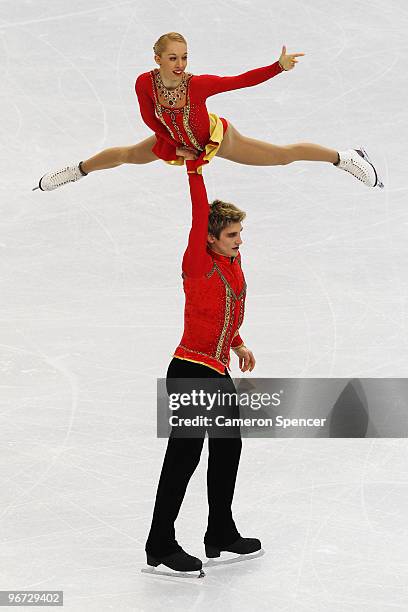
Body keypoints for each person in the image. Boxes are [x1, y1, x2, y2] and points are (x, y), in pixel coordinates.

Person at [34, 32, 383, 192]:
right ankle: (76, 171)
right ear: (157, 59)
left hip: (214, 139)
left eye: (184, 57)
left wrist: (278, 67)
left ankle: (345, 157)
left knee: (280, 157)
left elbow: (240, 81)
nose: (180, 64)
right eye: (173, 57)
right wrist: (172, 146)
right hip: (172, 141)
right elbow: (149, 117)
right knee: (127, 154)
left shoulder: (197, 85)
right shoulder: (145, 83)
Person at [145, 163, 258, 577]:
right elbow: (197, 215)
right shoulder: (198, 261)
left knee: (229, 447)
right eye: (231, 235)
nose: (239, 241)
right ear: (209, 237)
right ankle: (159, 542)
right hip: (190, 368)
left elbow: (221, 311)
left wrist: (238, 342)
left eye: (240, 234)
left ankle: (221, 532)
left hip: (216, 368)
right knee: (184, 456)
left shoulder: (233, 261)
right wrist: (194, 169)